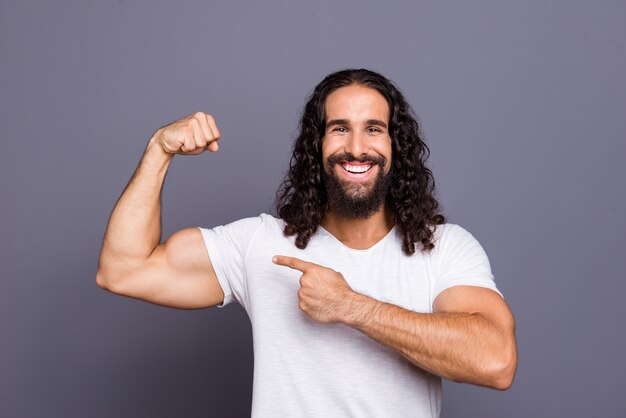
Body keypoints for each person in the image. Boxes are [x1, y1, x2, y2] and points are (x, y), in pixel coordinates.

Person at [96, 68, 517, 417]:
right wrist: (159, 149)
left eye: (373, 129)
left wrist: (351, 306)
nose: (356, 148)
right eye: (339, 129)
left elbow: (496, 362)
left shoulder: (442, 248)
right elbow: (123, 270)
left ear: (395, 146)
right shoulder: (261, 244)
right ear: (316, 145)